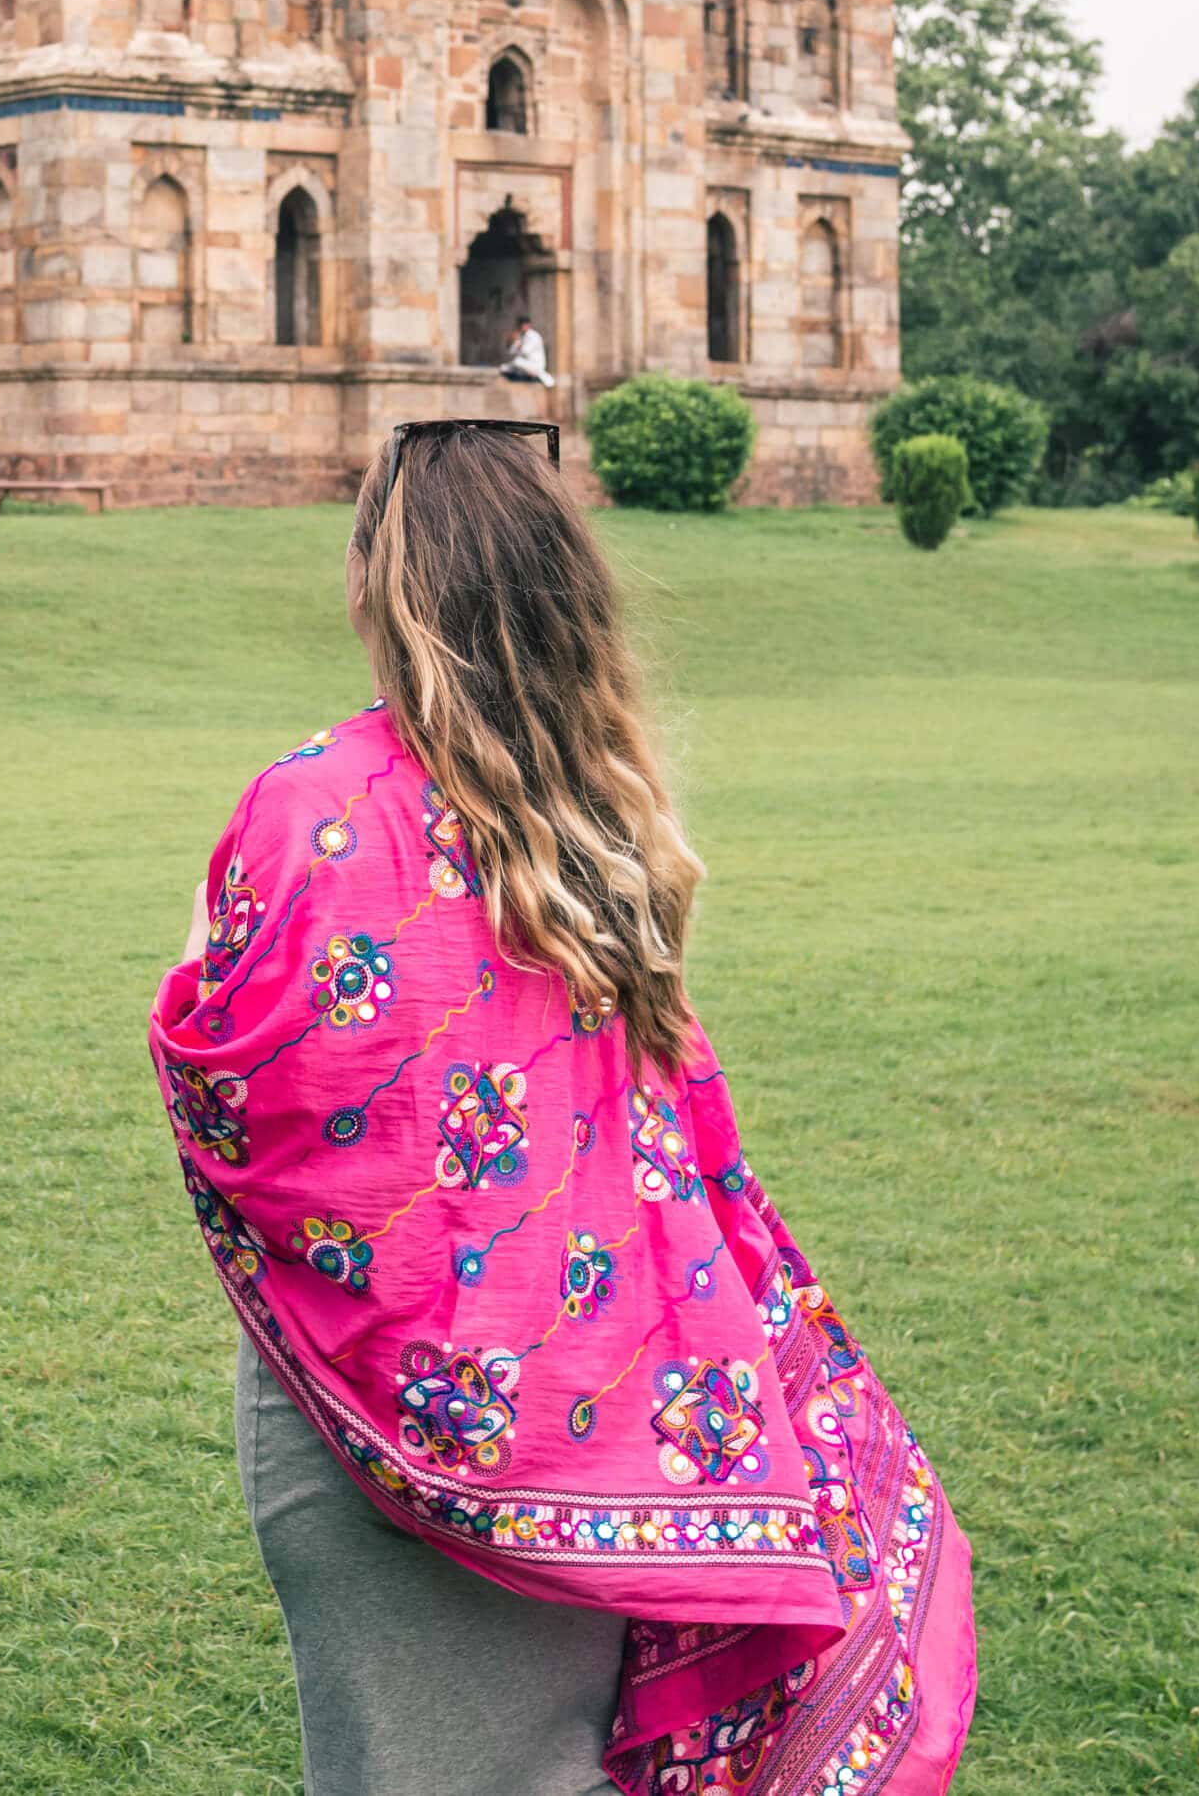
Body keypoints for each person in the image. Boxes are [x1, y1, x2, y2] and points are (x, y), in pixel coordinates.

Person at [150, 419, 974, 1796]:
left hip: (375, 1428)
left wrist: (191, 977)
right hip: (611, 1406)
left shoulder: (317, 810)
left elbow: (254, 1097)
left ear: (374, 581)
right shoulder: (601, 817)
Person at [499, 309, 554, 386]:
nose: (522, 327)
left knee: (517, 361)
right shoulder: (522, 336)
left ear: (528, 325)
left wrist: (518, 343)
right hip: (525, 365)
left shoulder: (533, 336)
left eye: (524, 325)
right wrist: (511, 340)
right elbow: (511, 351)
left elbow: (525, 351)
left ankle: (533, 376)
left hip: (535, 365)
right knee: (503, 368)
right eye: (521, 325)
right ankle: (525, 376)